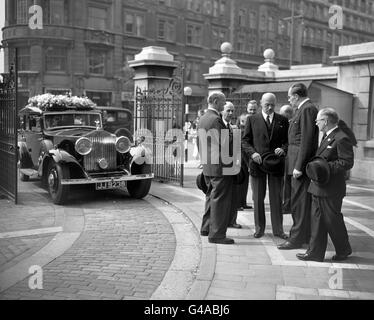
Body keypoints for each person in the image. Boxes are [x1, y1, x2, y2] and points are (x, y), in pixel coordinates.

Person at [296, 108, 354, 262]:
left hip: (331, 188)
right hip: (319, 186)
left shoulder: (341, 138)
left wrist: (324, 169)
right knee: (317, 220)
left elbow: (347, 162)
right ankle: (315, 252)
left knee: (332, 221)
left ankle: (343, 249)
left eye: (318, 120)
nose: (316, 122)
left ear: (326, 121)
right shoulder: (328, 136)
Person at [242, 93, 289, 239]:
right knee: (258, 197)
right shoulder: (252, 119)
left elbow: (288, 141)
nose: (269, 107)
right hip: (258, 164)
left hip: (275, 164)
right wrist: (253, 154)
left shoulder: (282, 120)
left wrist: (284, 149)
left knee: (276, 198)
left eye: (272, 105)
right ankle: (259, 228)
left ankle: (278, 230)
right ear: (261, 103)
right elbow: (245, 141)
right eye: (267, 104)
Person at [278, 83, 319, 250]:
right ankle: (303, 236)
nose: (289, 100)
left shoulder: (307, 109)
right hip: (294, 163)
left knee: (299, 203)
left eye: (290, 97)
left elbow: (306, 141)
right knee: (298, 202)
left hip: (298, 166)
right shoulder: (303, 109)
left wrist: (299, 166)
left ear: (296, 96)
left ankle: (296, 239)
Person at [198, 92, 235, 244]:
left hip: (208, 165)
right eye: (222, 102)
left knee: (210, 197)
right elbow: (225, 142)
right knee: (220, 200)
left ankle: (206, 228)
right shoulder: (215, 119)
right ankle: (217, 235)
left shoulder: (203, 118)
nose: (224, 105)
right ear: (214, 101)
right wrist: (233, 134)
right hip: (219, 166)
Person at [221, 101, 241, 229]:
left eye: (232, 111)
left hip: (232, 166)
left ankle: (232, 220)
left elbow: (238, 148)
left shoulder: (234, 128)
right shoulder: (218, 126)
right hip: (221, 166)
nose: (230, 113)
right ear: (222, 111)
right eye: (228, 110)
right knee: (222, 195)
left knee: (234, 194)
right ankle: (222, 221)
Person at [279, 104, 294, 215]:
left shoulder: (292, 124)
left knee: (288, 183)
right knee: (284, 183)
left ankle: (287, 205)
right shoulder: (283, 124)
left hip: (290, 157)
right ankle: (286, 204)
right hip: (283, 157)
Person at [236, 113, 253, 211]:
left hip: (244, 160)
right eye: (243, 121)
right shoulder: (241, 131)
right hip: (241, 160)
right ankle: (239, 203)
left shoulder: (245, 130)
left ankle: (243, 202)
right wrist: (248, 163)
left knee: (245, 182)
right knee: (241, 182)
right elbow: (242, 148)